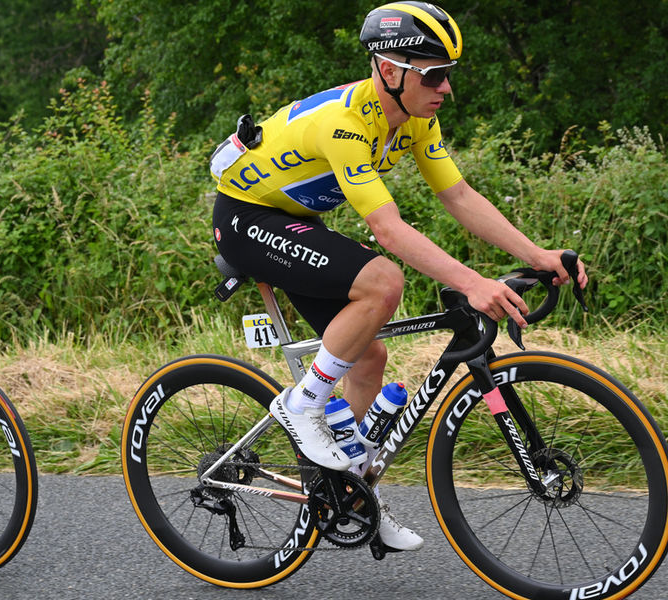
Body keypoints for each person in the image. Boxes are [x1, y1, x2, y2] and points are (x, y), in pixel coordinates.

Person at [210, 2, 587, 551]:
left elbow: (457, 194)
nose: (446, 88)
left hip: (295, 221)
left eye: (448, 74)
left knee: (369, 357)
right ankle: (303, 405)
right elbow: (387, 229)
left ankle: (348, 491)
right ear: (390, 71)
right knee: (383, 281)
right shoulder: (345, 125)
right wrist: (476, 283)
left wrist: (538, 253)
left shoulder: (414, 118)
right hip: (246, 219)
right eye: (434, 74)